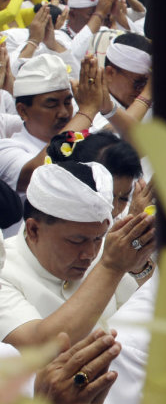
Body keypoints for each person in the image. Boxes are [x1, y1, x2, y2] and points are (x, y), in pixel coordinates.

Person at [0, 161, 155, 349]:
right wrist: (110, 268)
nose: (89, 254)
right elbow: (40, 345)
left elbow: (144, 310)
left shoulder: (105, 250)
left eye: (98, 238)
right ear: (33, 230)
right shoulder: (5, 270)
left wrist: (138, 265)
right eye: (76, 241)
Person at [0, 55, 103, 199]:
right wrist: (87, 111)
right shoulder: (7, 149)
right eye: (52, 104)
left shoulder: (82, 137)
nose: (63, 113)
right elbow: (39, 173)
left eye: (67, 103)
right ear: (22, 111)